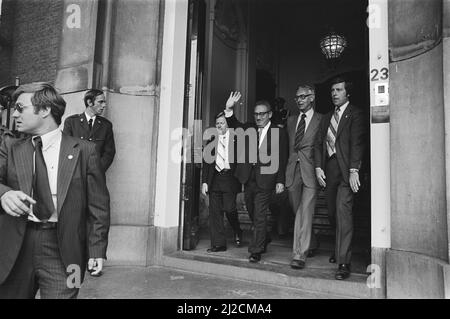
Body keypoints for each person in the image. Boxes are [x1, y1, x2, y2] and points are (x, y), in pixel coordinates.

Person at [0, 82, 110, 298]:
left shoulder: (85, 151)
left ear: (45, 110)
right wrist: (4, 193)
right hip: (14, 247)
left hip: (67, 250)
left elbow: (99, 205)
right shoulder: (11, 147)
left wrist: (97, 250)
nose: (14, 114)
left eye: (21, 108)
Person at [224, 92, 288, 263]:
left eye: (262, 114)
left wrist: (281, 180)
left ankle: (256, 250)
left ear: (270, 114)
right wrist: (229, 109)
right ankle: (264, 236)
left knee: (260, 213)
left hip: (267, 179)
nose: (258, 117)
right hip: (249, 178)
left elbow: (282, 157)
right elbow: (234, 126)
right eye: (256, 114)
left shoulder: (278, 132)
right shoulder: (250, 129)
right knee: (252, 210)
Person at [314, 77, 366, 280]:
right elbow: (319, 145)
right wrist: (318, 167)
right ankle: (338, 249)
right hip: (329, 171)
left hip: (346, 172)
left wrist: (355, 170)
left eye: (339, 90)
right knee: (332, 214)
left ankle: (344, 261)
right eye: (332, 90)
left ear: (347, 93)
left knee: (344, 215)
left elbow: (357, 144)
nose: (334, 93)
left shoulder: (356, 114)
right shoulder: (326, 117)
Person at [285, 84, 323, 270]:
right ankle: (312, 241)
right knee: (297, 210)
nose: (299, 100)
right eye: (297, 97)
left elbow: (323, 147)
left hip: (310, 171)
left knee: (305, 211)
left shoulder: (321, 120)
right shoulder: (291, 121)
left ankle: (299, 254)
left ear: (312, 97)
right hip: (292, 172)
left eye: (303, 96)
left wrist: (320, 168)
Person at [202, 112, 243, 252]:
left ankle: (237, 230)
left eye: (222, 122)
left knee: (230, 208)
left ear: (228, 124)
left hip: (230, 178)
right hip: (215, 178)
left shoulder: (236, 138)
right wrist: (204, 182)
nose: (220, 125)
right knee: (215, 212)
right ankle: (219, 244)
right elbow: (207, 162)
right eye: (218, 123)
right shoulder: (212, 139)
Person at [63, 89, 116, 172]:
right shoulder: (71, 122)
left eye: (104, 102)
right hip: (75, 175)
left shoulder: (106, 125)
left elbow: (109, 153)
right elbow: (66, 148)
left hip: (96, 178)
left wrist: (97, 170)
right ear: (89, 102)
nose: (104, 105)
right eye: (100, 102)